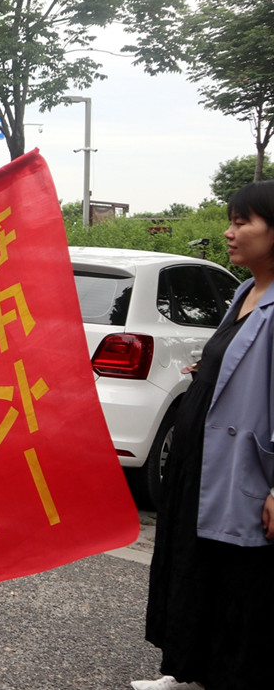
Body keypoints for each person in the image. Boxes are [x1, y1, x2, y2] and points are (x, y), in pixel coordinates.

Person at [140, 181, 274, 690]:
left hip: (245, 464)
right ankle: (187, 667)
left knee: (236, 574)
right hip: (202, 452)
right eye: (232, 220)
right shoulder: (245, 291)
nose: (229, 232)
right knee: (191, 559)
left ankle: (220, 672)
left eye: (243, 222)